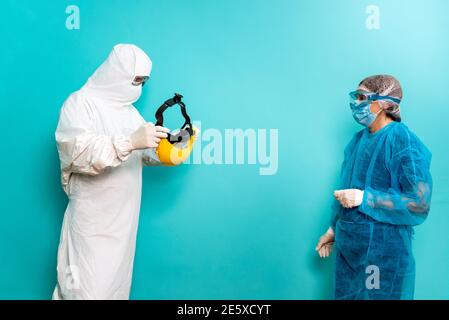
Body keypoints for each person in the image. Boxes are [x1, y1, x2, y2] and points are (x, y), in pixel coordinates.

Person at [52, 44, 170, 300]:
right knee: (83, 290)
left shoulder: (130, 113)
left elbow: (144, 154)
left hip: (123, 224)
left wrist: (172, 146)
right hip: (92, 223)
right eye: (135, 80)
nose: (138, 87)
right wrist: (129, 142)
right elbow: (78, 154)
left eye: (143, 82)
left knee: (114, 291)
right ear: (116, 73)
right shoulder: (81, 104)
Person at [315, 75, 432, 300]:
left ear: (384, 103)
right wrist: (333, 229)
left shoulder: (402, 140)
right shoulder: (358, 141)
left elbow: (418, 204)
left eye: (362, 97)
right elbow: (345, 190)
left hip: (383, 254)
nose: (356, 103)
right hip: (350, 250)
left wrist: (364, 198)